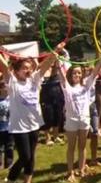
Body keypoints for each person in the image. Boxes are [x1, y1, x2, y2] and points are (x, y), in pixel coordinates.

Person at [0, 43, 64, 183]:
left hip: (34, 125)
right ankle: (10, 179)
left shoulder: (34, 80)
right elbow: (4, 67)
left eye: (29, 68)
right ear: (16, 71)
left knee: (31, 156)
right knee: (24, 157)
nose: (27, 71)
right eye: (24, 68)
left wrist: (57, 50)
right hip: (19, 127)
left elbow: (47, 63)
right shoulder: (13, 83)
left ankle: (27, 181)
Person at [58, 57, 101, 182]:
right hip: (71, 120)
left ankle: (82, 169)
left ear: (82, 74)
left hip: (84, 119)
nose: (77, 75)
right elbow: (62, 76)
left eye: (79, 72)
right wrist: (57, 62)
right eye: (74, 72)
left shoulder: (87, 85)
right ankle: (70, 172)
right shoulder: (67, 87)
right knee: (71, 147)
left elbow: (95, 71)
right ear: (70, 74)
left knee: (82, 146)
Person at [40, 63, 65, 146]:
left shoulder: (57, 71)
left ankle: (56, 136)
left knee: (57, 117)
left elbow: (55, 72)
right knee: (48, 118)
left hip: (58, 97)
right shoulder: (42, 72)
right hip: (46, 98)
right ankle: (47, 137)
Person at [0, 75, 13, 169]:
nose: (6, 88)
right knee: (0, 147)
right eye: (3, 86)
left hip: (10, 128)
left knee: (9, 146)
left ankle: (9, 163)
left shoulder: (11, 99)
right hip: (0, 128)